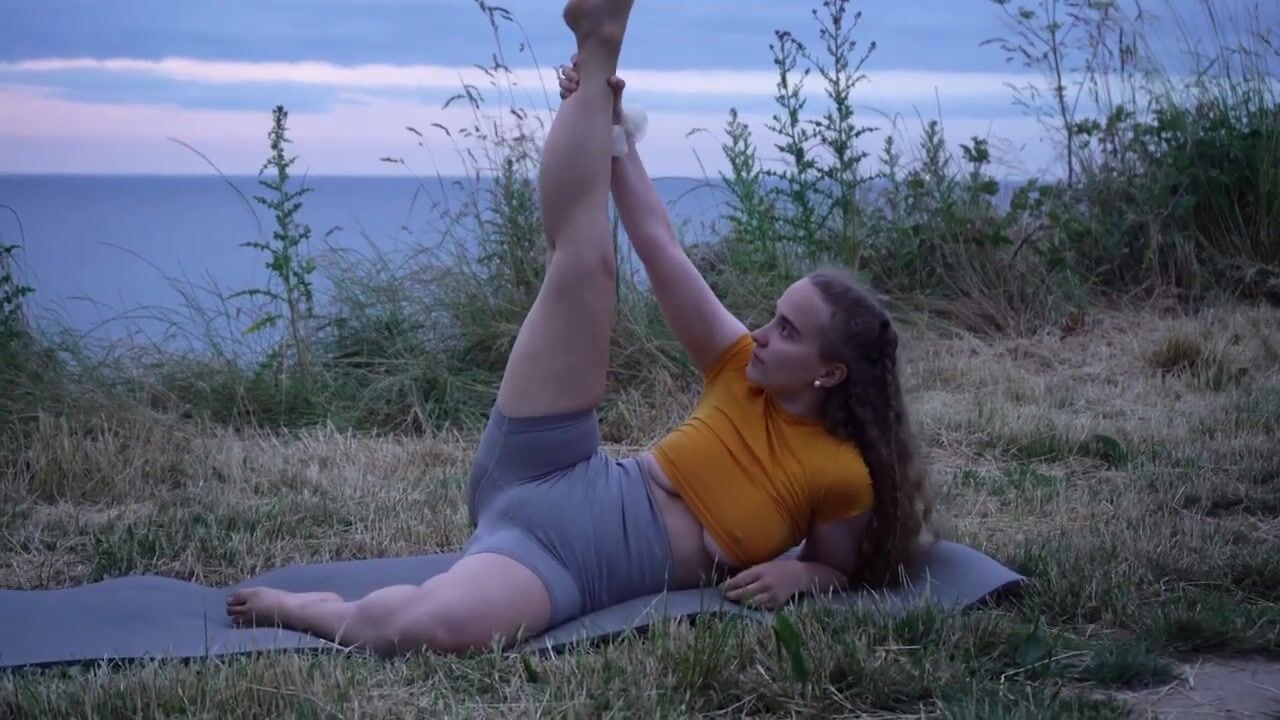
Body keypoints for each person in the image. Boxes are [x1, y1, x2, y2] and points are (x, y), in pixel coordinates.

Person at [226, 0, 935, 657]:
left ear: (831, 372)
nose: (763, 332)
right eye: (772, 317)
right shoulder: (737, 364)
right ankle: (599, 44)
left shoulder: (840, 472)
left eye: (787, 330)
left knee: (421, 631)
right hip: (553, 466)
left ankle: (310, 610)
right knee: (586, 264)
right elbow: (659, 246)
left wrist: (802, 576)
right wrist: (611, 126)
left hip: (567, 565)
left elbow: (837, 568)